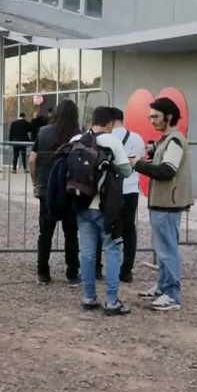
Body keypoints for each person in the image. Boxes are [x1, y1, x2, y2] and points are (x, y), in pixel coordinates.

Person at [131, 97, 193, 311]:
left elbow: (167, 171)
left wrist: (138, 165)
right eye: (150, 117)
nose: (152, 121)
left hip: (168, 203)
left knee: (167, 249)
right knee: (164, 247)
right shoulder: (169, 139)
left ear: (168, 116)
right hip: (164, 202)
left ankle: (172, 294)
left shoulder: (174, 140)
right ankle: (163, 287)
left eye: (155, 117)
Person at [70, 106, 133, 315]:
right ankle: (111, 300)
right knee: (112, 249)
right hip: (105, 206)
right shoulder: (112, 141)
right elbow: (126, 170)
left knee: (87, 252)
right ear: (110, 124)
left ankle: (88, 297)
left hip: (81, 204)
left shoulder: (77, 139)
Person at [29, 100, 82, 286]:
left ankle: (43, 272)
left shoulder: (43, 132)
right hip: (70, 189)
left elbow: (32, 160)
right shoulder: (79, 135)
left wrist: (36, 182)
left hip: (47, 189)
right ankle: (72, 273)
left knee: (45, 232)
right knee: (71, 233)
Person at [110, 107, 145, 283]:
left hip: (111, 190)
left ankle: (101, 268)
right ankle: (127, 269)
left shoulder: (106, 138)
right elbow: (140, 159)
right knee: (129, 228)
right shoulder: (137, 138)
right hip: (131, 188)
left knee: (107, 227)